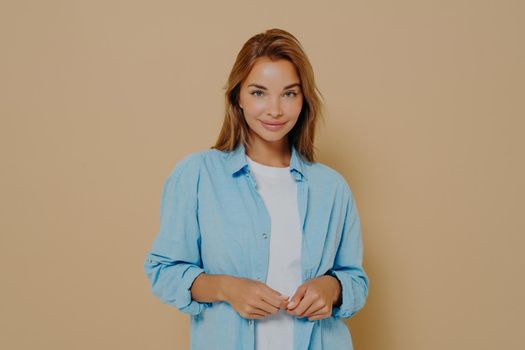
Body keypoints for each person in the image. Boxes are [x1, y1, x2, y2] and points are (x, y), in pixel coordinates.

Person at [143, 28, 369, 350]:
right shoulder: (197, 176)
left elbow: (355, 280)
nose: (275, 110)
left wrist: (332, 288)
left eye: (289, 93)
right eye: (259, 93)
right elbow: (163, 271)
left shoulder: (331, 188)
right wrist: (226, 289)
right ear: (238, 97)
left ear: (304, 100)